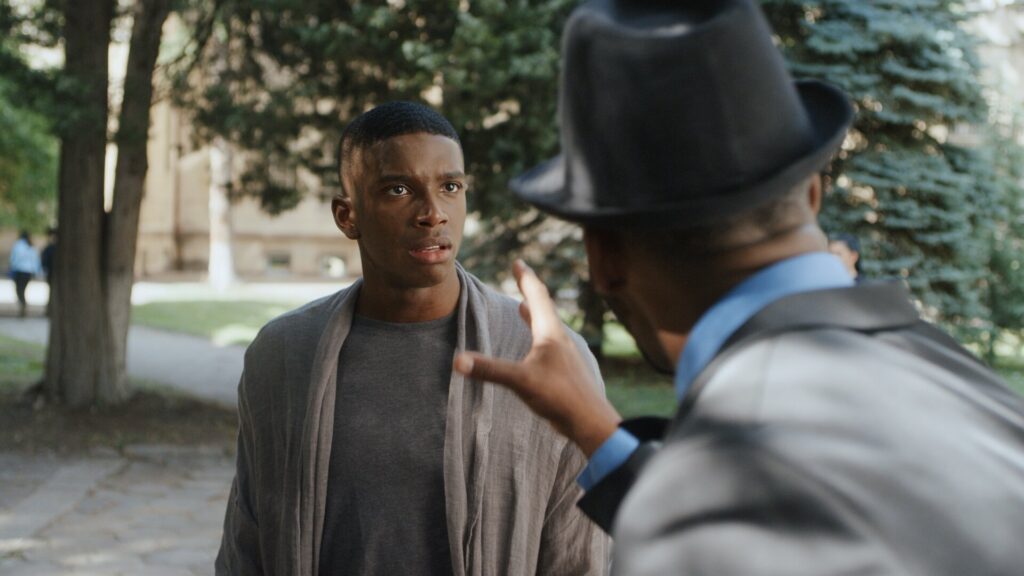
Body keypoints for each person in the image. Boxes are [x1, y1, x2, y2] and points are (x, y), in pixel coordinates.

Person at [454, 1, 1024, 574]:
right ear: (813, 194)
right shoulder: (966, 382)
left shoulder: (719, 490)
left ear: (604, 259)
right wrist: (595, 429)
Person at [216, 101, 609, 575]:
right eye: (398, 189)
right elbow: (247, 545)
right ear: (347, 216)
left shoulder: (541, 355)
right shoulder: (282, 355)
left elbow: (579, 557)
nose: (433, 213)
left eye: (450, 187)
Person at [8, 230, 40, 318]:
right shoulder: (31, 246)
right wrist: (36, 271)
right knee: (23, 289)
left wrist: (12, 267)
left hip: (19, 270)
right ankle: (23, 304)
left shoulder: (18, 245)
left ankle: (22, 303)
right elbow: (35, 260)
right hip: (28, 271)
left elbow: (13, 258)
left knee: (19, 289)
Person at [40, 227, 56, 316]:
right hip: (51, 272)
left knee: (52, 292)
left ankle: (51, 310)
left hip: (52, 272)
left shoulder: (50, 248)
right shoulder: (49, 248)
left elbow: (44, 261)